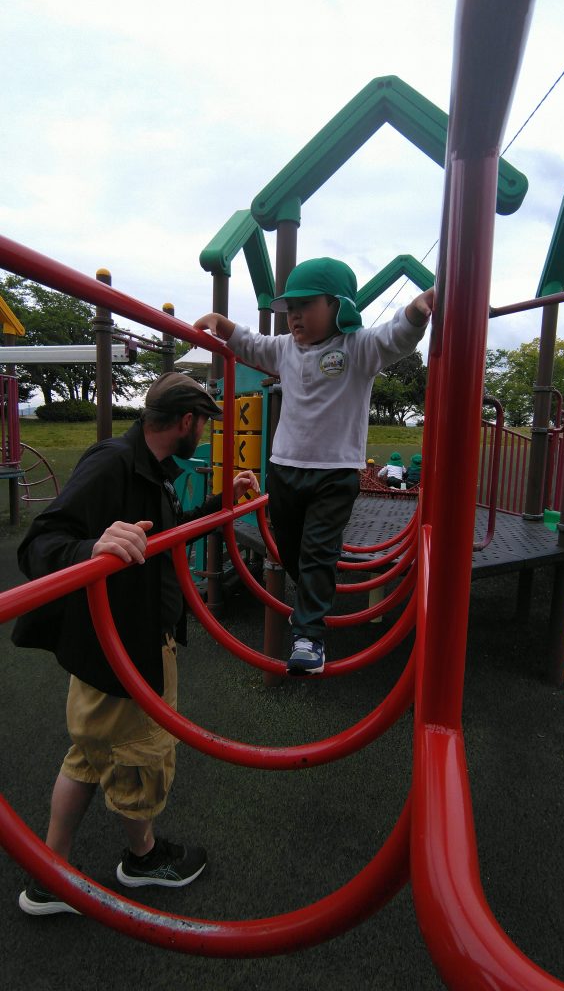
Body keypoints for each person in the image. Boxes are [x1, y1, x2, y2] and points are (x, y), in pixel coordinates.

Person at [12, 372, 259, 915]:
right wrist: (90, 549)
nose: (204, 433)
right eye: (204, 423)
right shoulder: (115, 463)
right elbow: (40, 543)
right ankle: (142, 858)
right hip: (125, 649)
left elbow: (167, 536)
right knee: (141, 757)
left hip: (120, 642)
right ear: (187, 422)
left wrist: (223, 501)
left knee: (89, 755)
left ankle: (49, 874)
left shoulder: (149, 467)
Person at [194, 256, 432, 676]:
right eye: (290, 308)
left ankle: (309, 637)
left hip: (335, 473)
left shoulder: (357, 348)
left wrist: (415, 311)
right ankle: (309, 599)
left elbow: (395, 337)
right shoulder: (286, 348)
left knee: (318, 551)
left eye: (306, 305)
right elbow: (252, 344)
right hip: (284, 468)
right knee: (289, 549)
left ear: (338, 306)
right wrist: (224, 326)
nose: (295, 316)